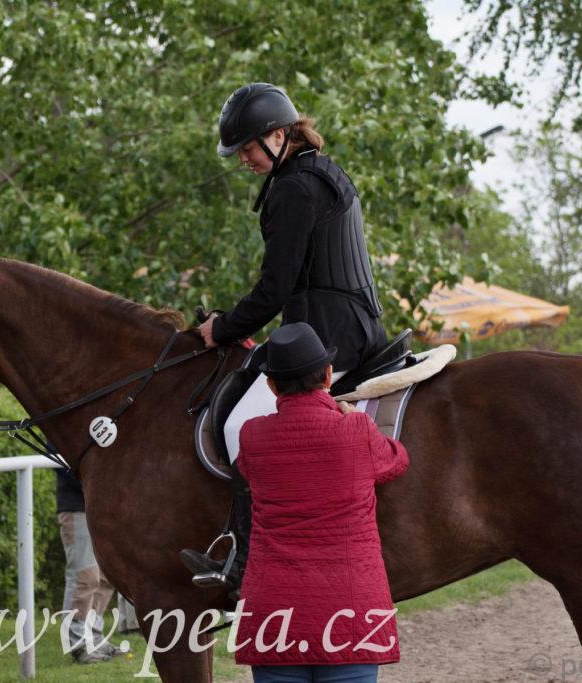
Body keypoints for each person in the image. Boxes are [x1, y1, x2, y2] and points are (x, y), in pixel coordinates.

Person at [185, 82, 389, 588]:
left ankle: (244, 563)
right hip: (348, 324)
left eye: (248, 148)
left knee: (239, 426)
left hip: (327, 336)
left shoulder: (294, 188)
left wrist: (221, 328)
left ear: (278, 136)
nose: (243, 160)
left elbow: (274, 289)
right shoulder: (320, 172)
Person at [232, 323, 408, 683]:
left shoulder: (251, 434)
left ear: (271, 386)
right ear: (328, 375)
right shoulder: (356, 430)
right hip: (351, 614)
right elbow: (396, 460)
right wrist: (360, 421)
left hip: (274, 618)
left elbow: (247, 470)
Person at [55, 467, 124, 664]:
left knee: (105, 576)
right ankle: (78, 643)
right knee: (84, 577)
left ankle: (94, 636)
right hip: (77, 506)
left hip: (103, 506)